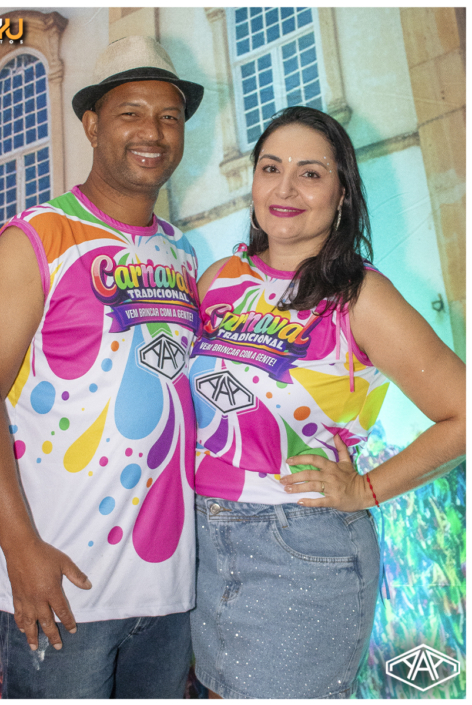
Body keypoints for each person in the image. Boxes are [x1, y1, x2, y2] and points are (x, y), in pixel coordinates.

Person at [0, 36, 204, 699]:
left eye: (169, 116)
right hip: (60, 583)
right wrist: (21, 550)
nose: (153, 132)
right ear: (92, 125)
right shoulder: (35, 237)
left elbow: (175, 390)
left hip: (166, 588)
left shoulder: (182, 254)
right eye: (130, 113)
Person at [188, 106, 465, 699]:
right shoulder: (218, 280)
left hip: (299, 550)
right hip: (202, 547)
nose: (285, 189)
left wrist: (365, 490)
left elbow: (463, 414)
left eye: (310, 173)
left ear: (342, 194)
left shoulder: (360, 295)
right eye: (271, 168)